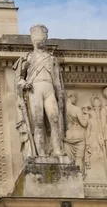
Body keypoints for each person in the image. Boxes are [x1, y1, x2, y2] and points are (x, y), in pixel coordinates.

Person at [13, 24, 66, 158]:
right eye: (37, 38)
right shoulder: (27, 58)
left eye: (42, 38)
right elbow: (18, 78)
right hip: (34, 90)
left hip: (49, 90)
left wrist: (60, 97)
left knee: (54, 120)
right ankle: (40, 153)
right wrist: (23, 84)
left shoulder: (51, 59)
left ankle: (57, 150)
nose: (39, 40)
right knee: (38, 122)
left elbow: (57, 81)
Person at [64, 91, 88, 176]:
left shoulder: (62, 110)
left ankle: (68, 178)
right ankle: (78, 176)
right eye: (75, 97)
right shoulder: (76, 109)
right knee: (79, 158)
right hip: (79, 136)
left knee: (68, 158)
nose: (76, 99)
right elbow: (84, 124)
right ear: (71, 96)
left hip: (67, 136)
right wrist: (87, 116)